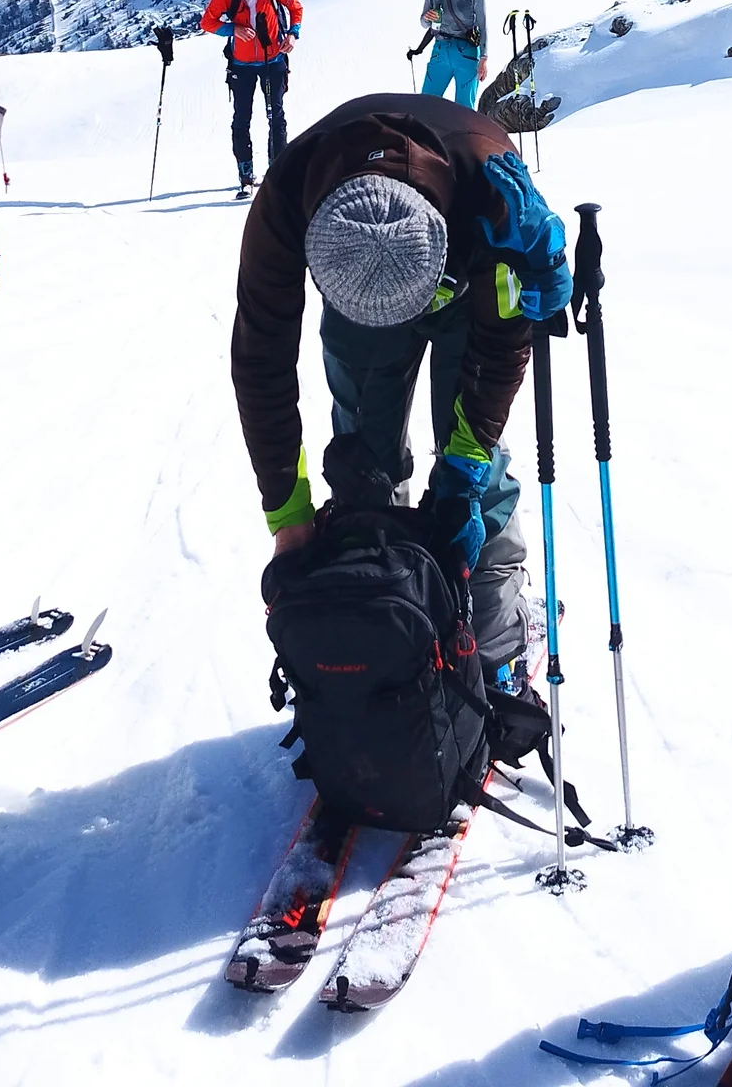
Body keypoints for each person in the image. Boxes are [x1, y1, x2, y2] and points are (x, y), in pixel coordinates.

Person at [230, 91, 570, 680]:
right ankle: (378, 615)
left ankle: (493, 650)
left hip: (469, 286)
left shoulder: (495, 197)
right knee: (364, 461)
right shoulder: (286, 199)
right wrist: (288, 515)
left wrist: (464, 462)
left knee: (476, 482)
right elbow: (261, 365)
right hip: (359, 289)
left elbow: (500, 347)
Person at [201, 0, 302, 194]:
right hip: (241, 65)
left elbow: (296, 8)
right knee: (241, 119)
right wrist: (233, 29)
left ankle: (277, 172)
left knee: (276, 116)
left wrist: (292, 33)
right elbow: (207, 22)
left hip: (273, 60)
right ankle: (245, 176)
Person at [419, 0, 489, 106]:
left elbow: (483, 25)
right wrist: (427, 18)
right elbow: (423, 23)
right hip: (440, 49)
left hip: (467, 52)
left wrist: (484, 58)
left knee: (464, 109)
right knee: (426, 103)